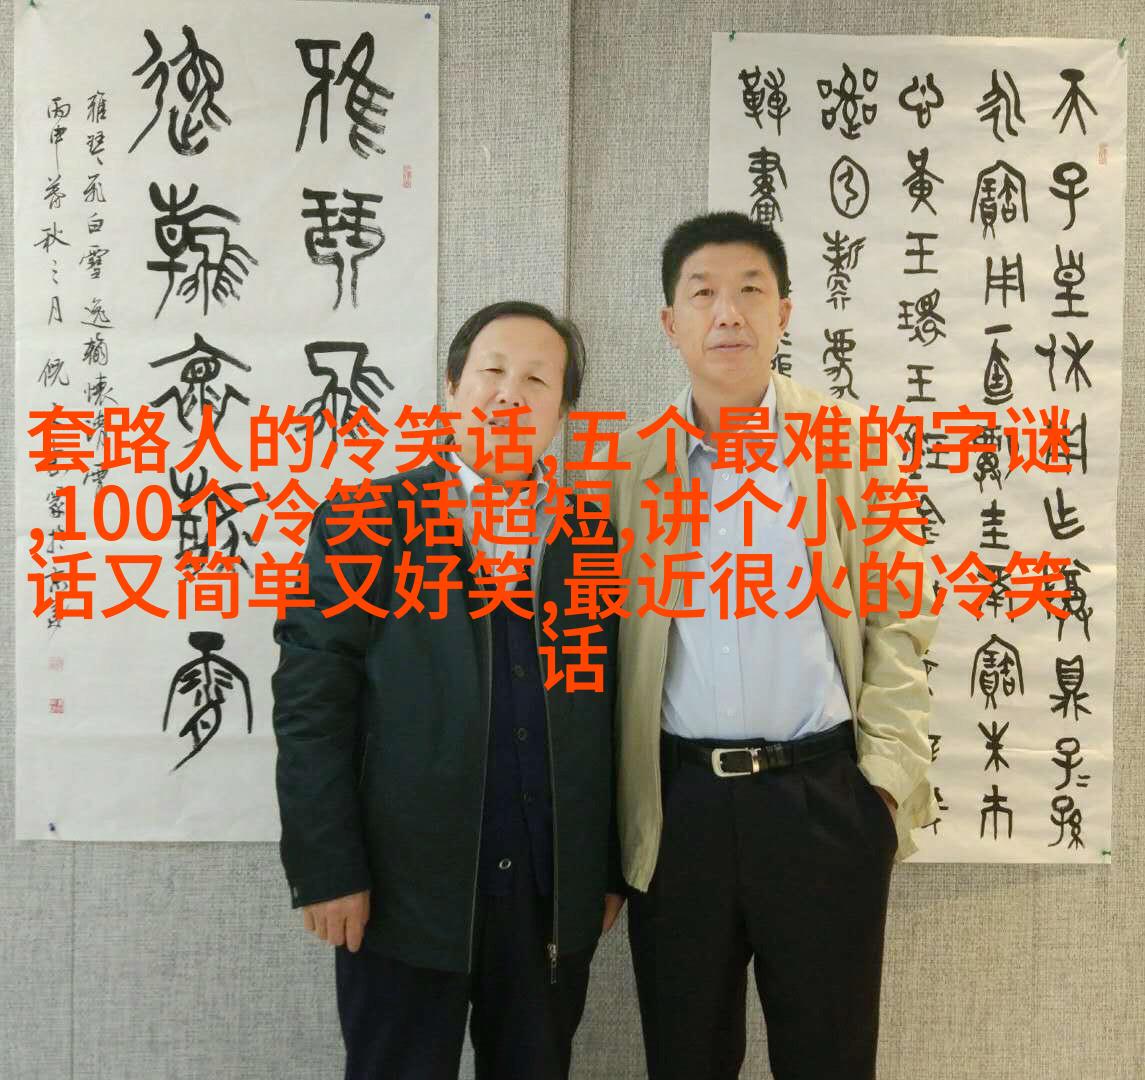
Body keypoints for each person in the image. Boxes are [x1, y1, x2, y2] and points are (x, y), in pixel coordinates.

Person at [612, 212, 938, 1080]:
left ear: (784, 312)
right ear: (670, 321)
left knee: (828, 1058)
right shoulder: (629, 471)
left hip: (822, 801)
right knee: (684, 1057)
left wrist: (883, 786)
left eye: (750, 290)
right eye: (702, 293)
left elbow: (900, 617)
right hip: (678, 810)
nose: (727, 313)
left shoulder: (855, 448)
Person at [272, 300, 624, 1080]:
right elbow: (311, 704)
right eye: (491, 371)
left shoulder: (587, 535)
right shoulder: (367, 519)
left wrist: (598, 868)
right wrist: (327, 866)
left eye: (536, 380)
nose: (509, 394)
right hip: (403, 891)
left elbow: (602, 715)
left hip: (546, 896)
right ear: (451, 387)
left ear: (563, 412)